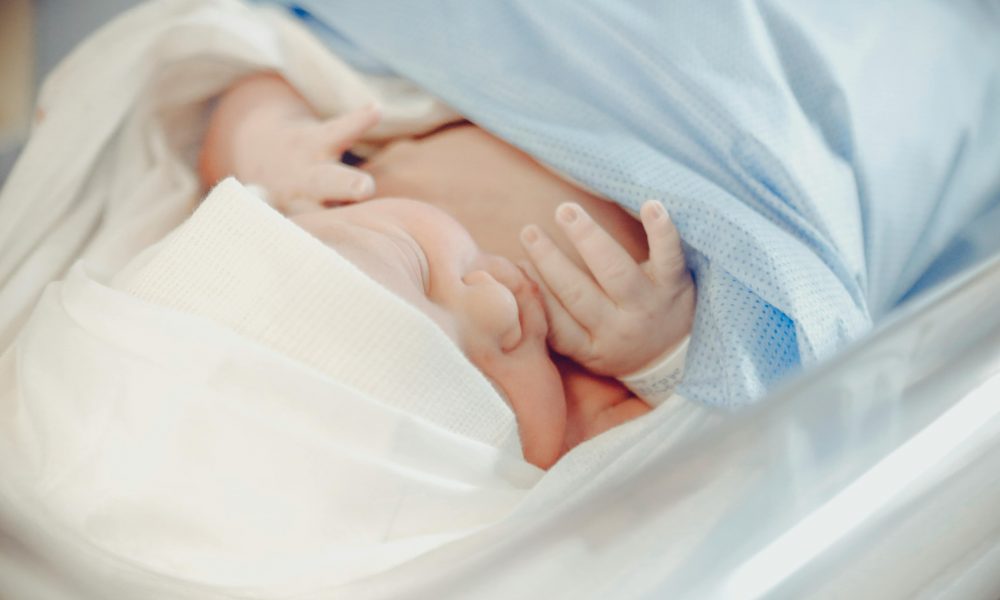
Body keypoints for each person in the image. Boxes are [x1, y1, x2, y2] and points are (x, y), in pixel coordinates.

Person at [199, 73, 697, 468]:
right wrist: (657, 359)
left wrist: (273, 150)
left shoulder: (321, 201)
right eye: (489, 391)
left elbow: (250, 73)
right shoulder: (570, 426)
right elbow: (693, 451)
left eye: (417, 266)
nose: (496, 305)